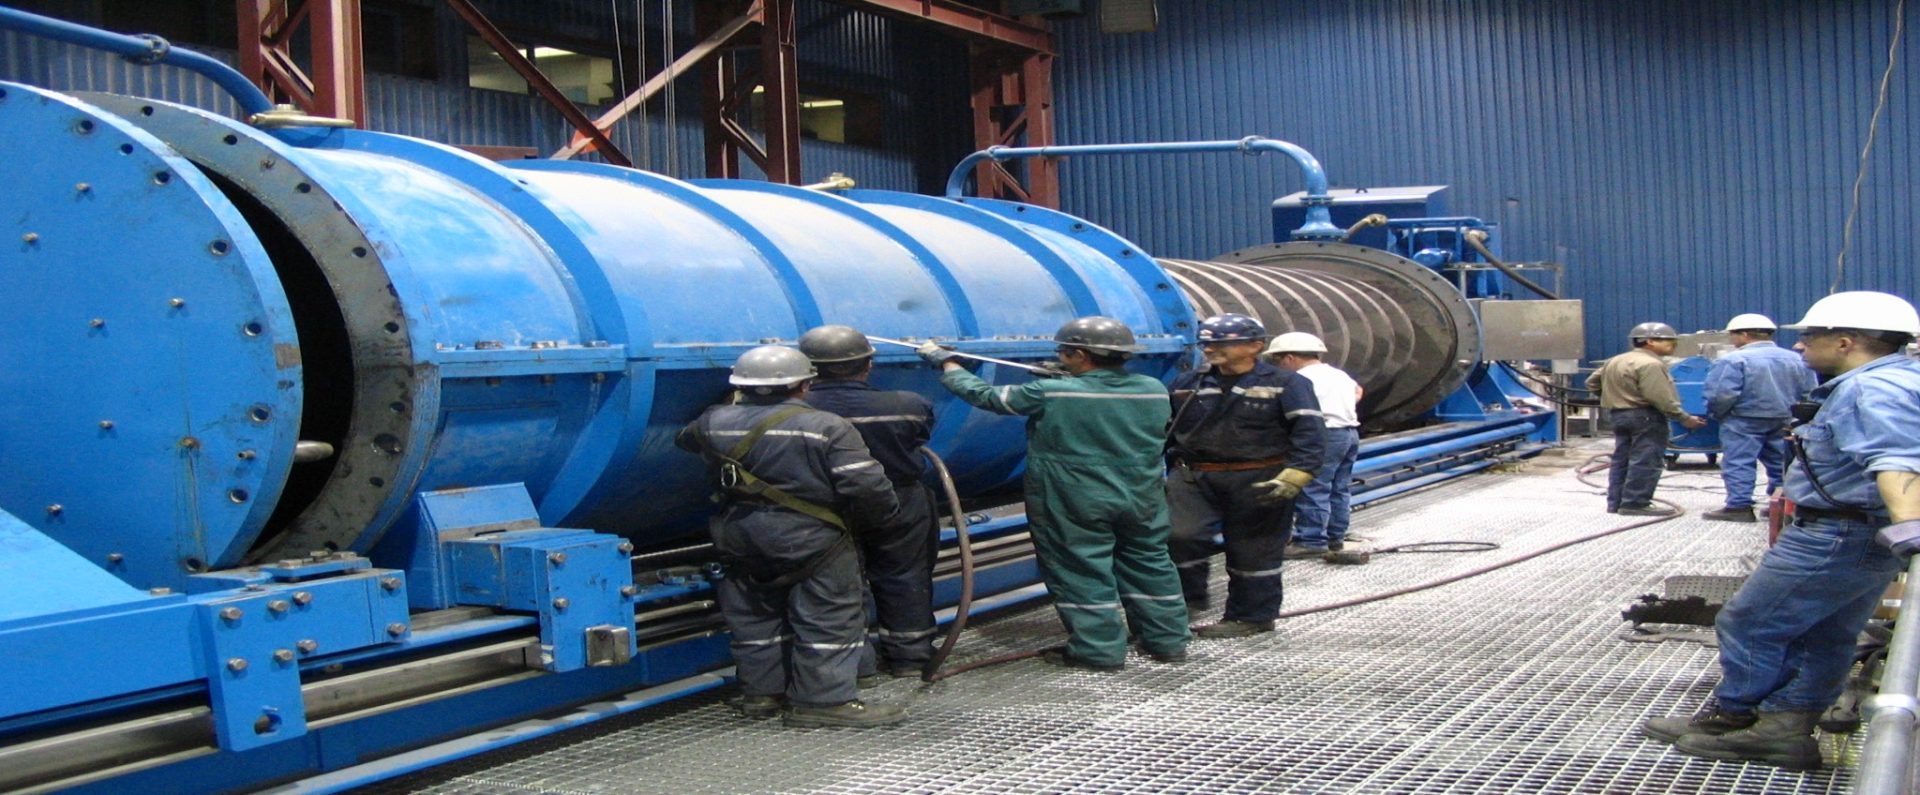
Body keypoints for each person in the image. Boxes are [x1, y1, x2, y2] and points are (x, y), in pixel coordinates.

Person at [1644, 291, 1920, 770]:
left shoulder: (1868, 390)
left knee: (1750, 622)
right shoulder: (1895, 378)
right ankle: (1784, 727)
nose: (1799, 347)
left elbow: (1898, 461)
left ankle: (1743, 719)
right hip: (1860, 532)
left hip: (1837, 533)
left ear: (1845, 342)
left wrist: (1910, 526)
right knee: (1826, 633)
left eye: (1809, 336)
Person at [917, 317, 1190, 669]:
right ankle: (1167, 641)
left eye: (1063, 352)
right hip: (1141, 496)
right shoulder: (1151, 388)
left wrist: (948, 363)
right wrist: (1066, 378)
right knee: (1149, 562)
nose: (1059, 357)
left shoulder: (1052, 391)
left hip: (1075, 497)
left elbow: (987, 396)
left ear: (1079, 354)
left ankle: (1099, 651)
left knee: (1082, 567)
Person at [675, 345, 907, 728]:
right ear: (804, 385)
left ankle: (762, 695)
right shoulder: (828, 427)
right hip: (812, 538)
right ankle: (824, 701)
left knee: (754, 617)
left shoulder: (713, 421)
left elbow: (685, 439)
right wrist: (880, 521)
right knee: (830, 617)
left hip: (739, 534)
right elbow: (867, 487)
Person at [1165, 314, 1325, 638]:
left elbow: (1309, 432)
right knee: (1178, 535)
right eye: (1207, 343)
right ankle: (1187, 601)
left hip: (1259, 476)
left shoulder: (1288, 383)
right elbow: (1166, 430)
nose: (1210, 349)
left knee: (1254, 548)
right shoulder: (1188, 384)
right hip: (1195, 476)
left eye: (1221, 343)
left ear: (1255, 346)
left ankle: (1252, 616)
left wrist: (1298, 472)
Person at [797, 324, 940, 680]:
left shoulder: (793, 414)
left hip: (823, 507)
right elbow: (920, 434)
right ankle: (910, 656)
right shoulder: (907, 405)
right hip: (898, 500)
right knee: (905, 575)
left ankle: (857, 664)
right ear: (868, 365)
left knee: (840, 583)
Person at [1700, 314, 1818, 523]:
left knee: (1739, 461)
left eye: (1733, 335)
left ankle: (1739, 506)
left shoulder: (1733, 360)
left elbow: (1721, 395)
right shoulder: (1796, 358)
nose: (1731, 340)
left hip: (1743, 419)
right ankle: (1780, 504)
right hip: (1784, 418)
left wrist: (1717, 414)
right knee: (1781, 462)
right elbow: (1809, 391)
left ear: (1744, 335)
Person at [1585, 322, 1708, 516]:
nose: (1673, 345)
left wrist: (1614, 395)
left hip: (1619, 415)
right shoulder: (1651, 364)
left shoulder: (1616, 360)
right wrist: (1684, 418)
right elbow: (1659, 397)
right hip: (1645, 416)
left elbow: (1591, 382)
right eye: (1668, 341)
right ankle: (1635, 503)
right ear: (1649, 341)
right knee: (1646, 459)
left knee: (1622, 459)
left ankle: (1616, 502)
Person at [1267, 331, 1362, 560]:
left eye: (1278, 360)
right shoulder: (1339, 375)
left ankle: (1310, 540)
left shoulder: (1301, 379)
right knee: (1339, 487)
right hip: (1349, 433)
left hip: (1325, 434)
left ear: (1289, 357)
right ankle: (1335, 537)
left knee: (1312, 486)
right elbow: (1358, 392)